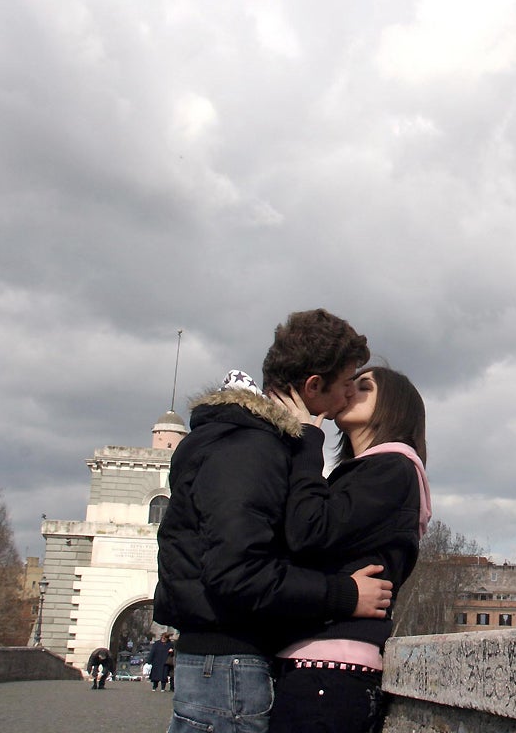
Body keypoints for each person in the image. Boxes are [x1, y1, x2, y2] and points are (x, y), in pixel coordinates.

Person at [154, 309, 394, 733]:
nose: (346, 399)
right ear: (313, 386)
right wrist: (344, 594)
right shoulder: (251, 448)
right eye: (343, 386)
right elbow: (237, 572)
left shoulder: (241, 440)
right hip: (228, 669)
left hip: (222, 667)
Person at [267, 366, 431, 733]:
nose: (348, 391)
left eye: (363, 386)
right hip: (317, 665)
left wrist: (309, 439)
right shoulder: (363, 474)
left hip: (329, 669)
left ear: (394, 407)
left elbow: (308, 531)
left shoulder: (393, 468)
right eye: (348, 384)